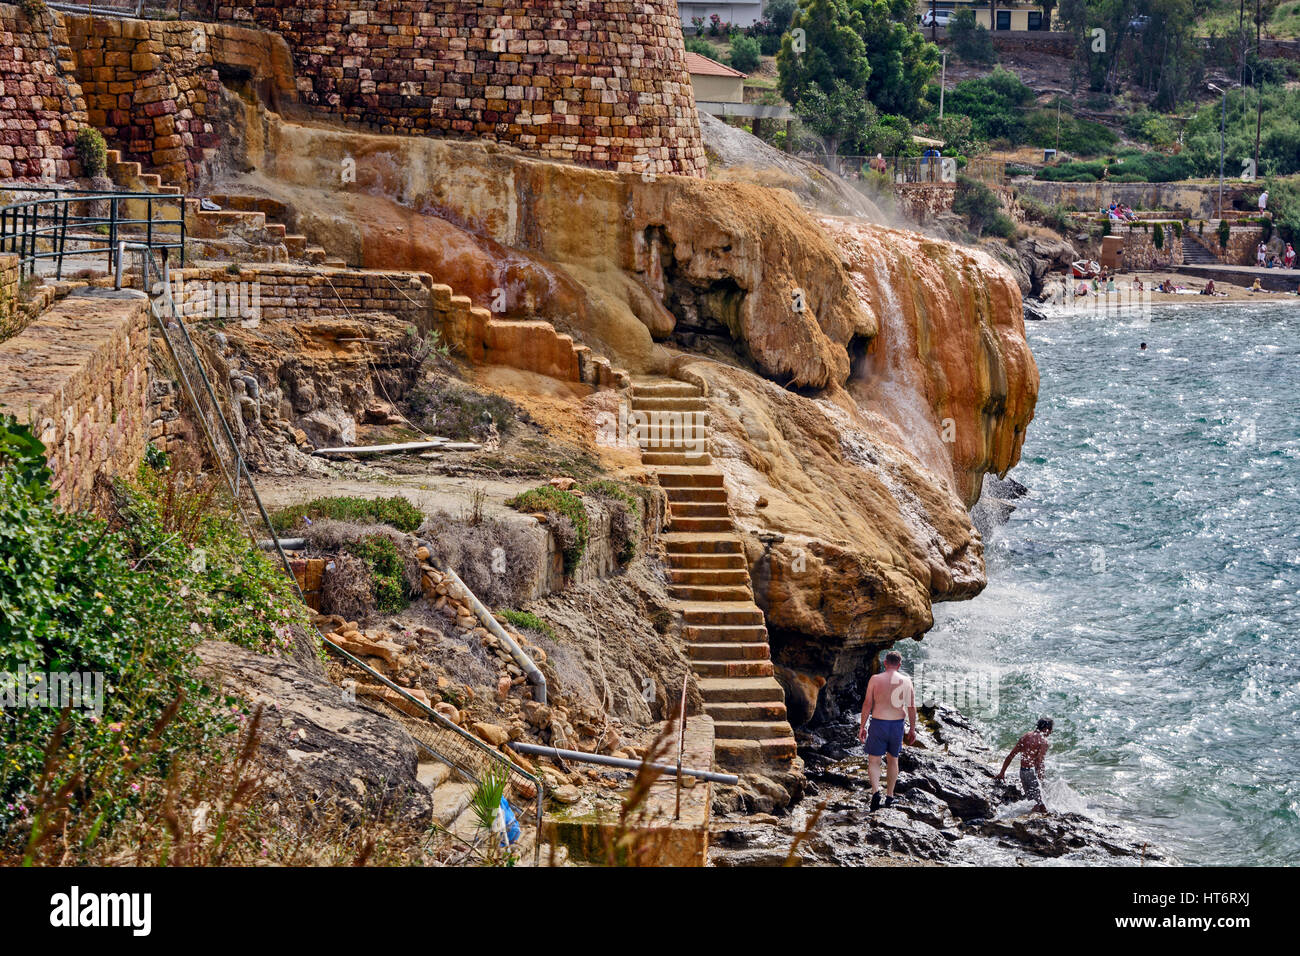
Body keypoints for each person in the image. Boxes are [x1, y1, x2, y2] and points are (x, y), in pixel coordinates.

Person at [857, 650, 917, 811]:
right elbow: (911, 707)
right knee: (893, 760)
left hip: (878, 723)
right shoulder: (906, 681)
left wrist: (862, 726)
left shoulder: (875, 679)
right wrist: (912, 729)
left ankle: (876, 791)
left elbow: (867, 704)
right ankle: (890, 797)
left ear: (885, 663)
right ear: (899, 665)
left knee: (874, 761)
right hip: (897, 725)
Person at [996, 717, 1054, 813]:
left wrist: (1002, 772)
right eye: (1051, 730)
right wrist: (1041, 780)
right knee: (1040, 805)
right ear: (1046, 729)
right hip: (1032, 774)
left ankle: (1025, 819)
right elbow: (1039, 763)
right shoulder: (1043, 741)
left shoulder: (1026, 736)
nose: (1051, 732)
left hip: (1023, 772)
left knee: (1033, 802)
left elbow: (1011, 755)